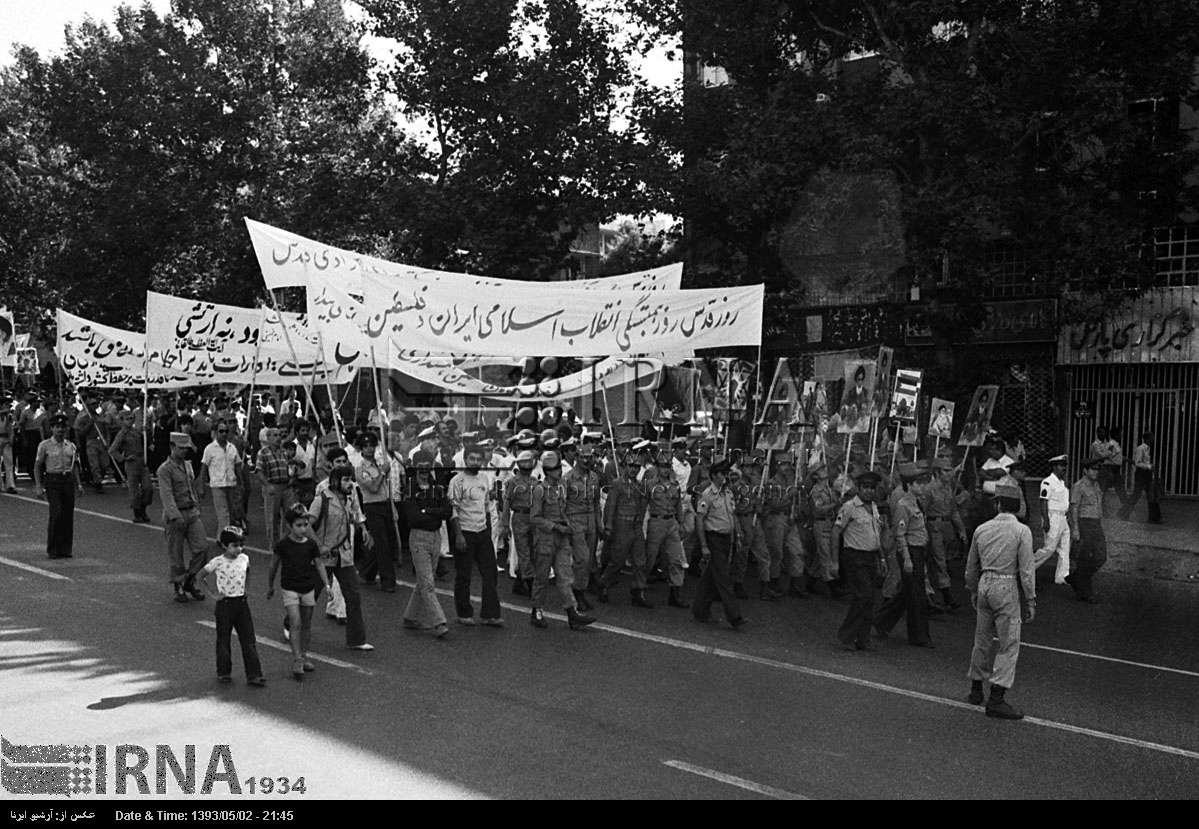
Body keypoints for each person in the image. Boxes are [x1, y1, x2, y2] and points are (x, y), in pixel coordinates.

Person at [965, 483, 1035, 720]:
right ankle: (996, 698)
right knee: (1008, 643)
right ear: (1017, 506)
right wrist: (1031, 599)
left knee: (981, 638)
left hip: (985, 581)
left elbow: (970, 568)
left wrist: (974, 589)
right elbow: (1026, 570)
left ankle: (976, 688)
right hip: (1006, 584)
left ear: (997, 504)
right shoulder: (1022, 531)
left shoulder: (982, 529)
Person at [528, 450, 596, 630]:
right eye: (556, 468)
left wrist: (567, 524)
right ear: (548, 470)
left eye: (559, 467)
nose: (559, 471)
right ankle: (537, 610)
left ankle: (572, 612)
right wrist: (556, 526)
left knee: (565, 576)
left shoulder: (561, 488)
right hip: (546, 538)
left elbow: (564, 510)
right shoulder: (539, 490)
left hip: (562, 538)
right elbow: (534, 518)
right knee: (541, 578)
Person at [308, 465, 374, 650]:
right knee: (311, 594)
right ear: (335, 481)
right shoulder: (321, 500)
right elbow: (307, 524)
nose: (350, 484)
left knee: (353, 596)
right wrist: (318, 546)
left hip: (344, 556)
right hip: (325, 557)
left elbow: (355, 516)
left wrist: (363, 530)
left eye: (351, 480)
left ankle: (356, 639)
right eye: (346, 480)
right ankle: (292, 625)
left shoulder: (348, 500)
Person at [873, 462, 933, 648]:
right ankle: (919, 635)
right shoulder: (903, 505)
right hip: (910, 551)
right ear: (909, 485)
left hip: (918, 550)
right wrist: (906, 558)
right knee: (916, 595)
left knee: (907, 593)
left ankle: (881, 620)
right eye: (919, 483)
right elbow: (900, 534)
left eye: (924, 483)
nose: (923, 487)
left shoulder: (915, 502)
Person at [197, 526, 265, 686]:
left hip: (241, 603)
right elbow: (200, 576)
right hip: (225, 604)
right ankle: (223, 672)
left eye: (241, 545)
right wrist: (213, 594)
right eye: (234, 545)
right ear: (224, 546)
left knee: (248, 639)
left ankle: (254, 674)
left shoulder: (244, 558)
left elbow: (248, 572)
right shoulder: (218, 562)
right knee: (223, 640)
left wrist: (246, 588)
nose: (238, 549)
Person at [268, 505, 330, 680]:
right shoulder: (282, 545)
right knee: (295, 622)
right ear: (289, 526)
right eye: (299, 525)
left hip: (308, 587)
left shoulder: (311, 545)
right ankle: (297, 659)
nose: (303, 529)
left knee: (306, 624)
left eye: (305, 525)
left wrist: (327, 585)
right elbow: (273, 565)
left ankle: (304, 655)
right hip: (290, 588)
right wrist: (270, 585)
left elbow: (319, 564)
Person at [448, 444, 504, 627]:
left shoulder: (484, 479)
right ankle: (464, 613)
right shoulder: (457, 481)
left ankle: (490, 614)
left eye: (478, 459)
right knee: (464, 575)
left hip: (482, 533)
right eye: (471, 458)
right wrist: (459, 536)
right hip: (465, 531)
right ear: (465, 459)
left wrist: (488, 529)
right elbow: (453, 510)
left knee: (490, 573)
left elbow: (486, 506)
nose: (475, 462)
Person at [833, 470, 885, 652]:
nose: (869, 491)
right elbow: (836, 532)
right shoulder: (849, 507)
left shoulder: (874, 507)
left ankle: (862, 638)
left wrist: (882, 558)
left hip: (870, 557)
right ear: (859, 488)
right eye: (865, 487)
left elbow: (876, 535)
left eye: (872, 488)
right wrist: (834, 561)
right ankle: (847, 636)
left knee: (869, 599)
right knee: (863, 595)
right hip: (854, 556)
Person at [691, 460, 747, 629]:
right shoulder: (707, 494)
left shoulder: (727, 493)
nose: (725, 477)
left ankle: (700, 611)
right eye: (722, 474)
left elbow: (732, 515)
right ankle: (734, 615)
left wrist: (737, 533)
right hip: (713, 538)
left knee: (710, 577)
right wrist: (704, 546)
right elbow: (699, 519)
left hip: (726, 539)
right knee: (723, 578)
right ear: (715, 475)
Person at [157, 431, 210, 602]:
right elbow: (167, 495)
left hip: (191, 511)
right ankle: (178, 586)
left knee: (202, 548)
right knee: (176, 554)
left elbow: (191, 486)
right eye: (181, 448)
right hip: (175, 515)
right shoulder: (164, 470)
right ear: (172, 447)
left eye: (186, 449)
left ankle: (189, 579)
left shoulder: (187, 465)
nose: (184, 452)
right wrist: (175, 516)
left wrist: (196, 506)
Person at [402, 459, 452, 638]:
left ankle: (410, 616)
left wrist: (426, 511)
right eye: (420, 469)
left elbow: (447, 511)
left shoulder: (437, 489)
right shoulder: (409, 490)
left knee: (424, 581)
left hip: (435, 536)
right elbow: (413, 518)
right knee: (428, 584)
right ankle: (439, 622)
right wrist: (434, 512)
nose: (424, 472)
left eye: (426, 469)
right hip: (419, 537)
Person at [596, 452, 650, 606]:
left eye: (637, 467)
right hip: (621, 525)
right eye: (631, 466)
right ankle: (603, 584)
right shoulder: (617, 484)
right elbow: (610, 506)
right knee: (617, 561)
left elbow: (642, 506)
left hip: (635, 525)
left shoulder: (640, 486)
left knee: (640, 561)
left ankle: (638, 591)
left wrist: (640, 524)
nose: (634, 469)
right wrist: (608, 527)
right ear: (625, 466)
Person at [643, 449, 690, 609]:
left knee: (676, 558)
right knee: (649, 558)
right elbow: (643, 506)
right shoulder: (650, 484)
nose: (665, 469)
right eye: (662, 466)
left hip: (671, 523)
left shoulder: (675, 485)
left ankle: (675, 593)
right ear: (657, 467)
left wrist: (681, 523)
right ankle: (639, 589)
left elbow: (678, 506)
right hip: (656, 522)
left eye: (668, 466)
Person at [34, 413, 83, 559]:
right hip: (52, 480)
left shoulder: (71, 446)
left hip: (67, 480)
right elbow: (37, 466)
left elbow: (74, 466)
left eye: (63, 427)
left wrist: (79, 484)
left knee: (68, 515)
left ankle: (65, 548)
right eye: (57, 427)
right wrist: (38, 485)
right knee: (56, 513)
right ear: (52, 429)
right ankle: (53, 548)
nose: (60, 430)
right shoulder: (44, 445)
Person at [354, 432, 399, 593]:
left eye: (372, 445)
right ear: (361, 448)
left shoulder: (379, 464)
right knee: (383, 545)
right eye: (366, 446)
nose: (369, 449)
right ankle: (388, 582)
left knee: (387, 541)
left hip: (385, 504)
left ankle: (367, 572)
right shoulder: (360, 468)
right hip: (372, 507)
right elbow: (372, 487)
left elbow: (385, 488)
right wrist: (382, 473)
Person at [921, 458, 966, 610]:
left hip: (947, 527)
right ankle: (945, 595)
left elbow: (954, 511)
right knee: (939, 561)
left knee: (944, 560)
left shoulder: (948, 488)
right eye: (945, 471)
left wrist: (961, 530)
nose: (949, 474)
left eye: (949, 470)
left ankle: (938, 592)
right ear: (937, 472)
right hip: (934, 526)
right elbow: (922, 512)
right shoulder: (929, 489)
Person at [563, 443, 603, 611]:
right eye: (583, 457)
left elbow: (596, 503)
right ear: (576, 458)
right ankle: (577, 593)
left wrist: (599, 524)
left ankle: (581, 590)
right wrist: (566, 525)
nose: (586, 460)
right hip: (575, 520)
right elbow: (561, 505)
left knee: (589, 559)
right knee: (582, 559)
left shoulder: (594, 477)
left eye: (589, 457)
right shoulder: (568, 478)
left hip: (591, 521)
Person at [500, 449, 538, 596]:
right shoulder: (513, 481)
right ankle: (529, 582)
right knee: (523, 551)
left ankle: (520, 580)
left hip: (533, 518)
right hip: (520, 517)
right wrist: (505, 523)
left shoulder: (535, 481)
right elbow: (506, 502)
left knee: (533, 549)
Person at [1067, 458, 1105, 603]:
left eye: (1097, 469)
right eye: (1093, 469)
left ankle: (1076, 578)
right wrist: (1075, 528)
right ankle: (1086, 592)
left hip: (1096, 523)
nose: (1096, 472)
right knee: (1085, 558)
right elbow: (1074, 508)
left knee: (1101, 556)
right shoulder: (1079, 486)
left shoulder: (1096, 485)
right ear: (1085, 470)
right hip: (1084, 523)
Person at [199, 419, 242, 535]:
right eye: (221, 431)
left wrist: (241, 483)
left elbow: (238, 465)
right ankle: (224, 539)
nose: (224, 434)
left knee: (230, 512)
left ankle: (222, 535)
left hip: (231, 484)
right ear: (216, 432)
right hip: (217, 485)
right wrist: (201, 486)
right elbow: (203, 468)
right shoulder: (209, 449)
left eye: (226, 431)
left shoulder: (232, 447)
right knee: (223, 513)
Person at [110, 410, 153, 523]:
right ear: (122, 421)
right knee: (134, 490)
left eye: (131, 418)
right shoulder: (121, 434)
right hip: (131, 463)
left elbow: (145, 441)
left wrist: (146, 432)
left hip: (141, 462)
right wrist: (123, 458)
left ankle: (143, 508)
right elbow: (112, 450)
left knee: (148, 487)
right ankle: (137, 513)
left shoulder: (136, 431)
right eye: (127, 419)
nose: (130, 421)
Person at [1034, 455, 1071, 584]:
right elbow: (1043, 501)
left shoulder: (1062, 483)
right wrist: (1046, 520)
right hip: (1053, 517)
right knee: (1049, 549)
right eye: (1061, 465)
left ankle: (1062, 576)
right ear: (1054, 466)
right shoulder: (1048, 482)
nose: (1064, 468)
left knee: (1065, 548)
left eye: (1065, 465)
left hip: (1063, 517)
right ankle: (1028, 567)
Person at [257, 427, 290, 549]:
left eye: (279, 435)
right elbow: (259, 471)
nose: (278, 438)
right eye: (275, 435)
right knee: (272, 517)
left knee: (287, 516)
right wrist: (267, 485)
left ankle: (285, 542)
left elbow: (288, 467)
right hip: (272, 486)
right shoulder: (263, 453)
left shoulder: (284, 452)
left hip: (285, 486)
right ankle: (273, 544)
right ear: (268, 438)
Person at [1119, 432, 1161, 523]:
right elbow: (1137, 462)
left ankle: (1153, 518)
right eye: (1151, 438)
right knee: (1137, 495)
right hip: (1141, 474)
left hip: (1146, 474)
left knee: (1150, 495)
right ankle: (1123, 513)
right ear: (1147, 438)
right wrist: (1149, 466)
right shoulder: (1141, 449)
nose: (1153, 440)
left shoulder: (1147, 449)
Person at [1089, 426, 1126, 515]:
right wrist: (1111, 453)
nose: (1103, 434)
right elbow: (1102, 456)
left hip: (1108, 468)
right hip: (1099, 468)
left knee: (1106, 490)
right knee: (1101, 491)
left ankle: (1121, 510)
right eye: (1101, 432)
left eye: (1104, 432)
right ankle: (1100, 510)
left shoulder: (1107, 444)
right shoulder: (1096, 444)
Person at [0, 394, 17, 493]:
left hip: (6, 439)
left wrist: (11, 439)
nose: (8, 406)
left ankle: (10, 485)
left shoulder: (9, 416)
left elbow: (11, 428)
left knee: (9, 464)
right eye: (5, 404)